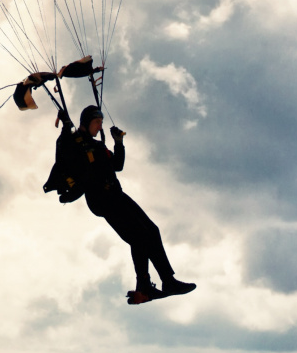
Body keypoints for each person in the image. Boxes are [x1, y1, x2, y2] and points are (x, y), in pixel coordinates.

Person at [44, 105, 196, 305]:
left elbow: (117, 165)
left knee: (151, 230)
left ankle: (168, 281)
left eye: (101, 123)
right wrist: (65, 126)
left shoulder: (98, 146)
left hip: (116, 194)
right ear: (87, 122)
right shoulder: (74, 143)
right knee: (139, 237)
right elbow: (62, 151)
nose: (100, 127)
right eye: (97, 123)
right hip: (102, 200)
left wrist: (118, 142)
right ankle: (144, 285)